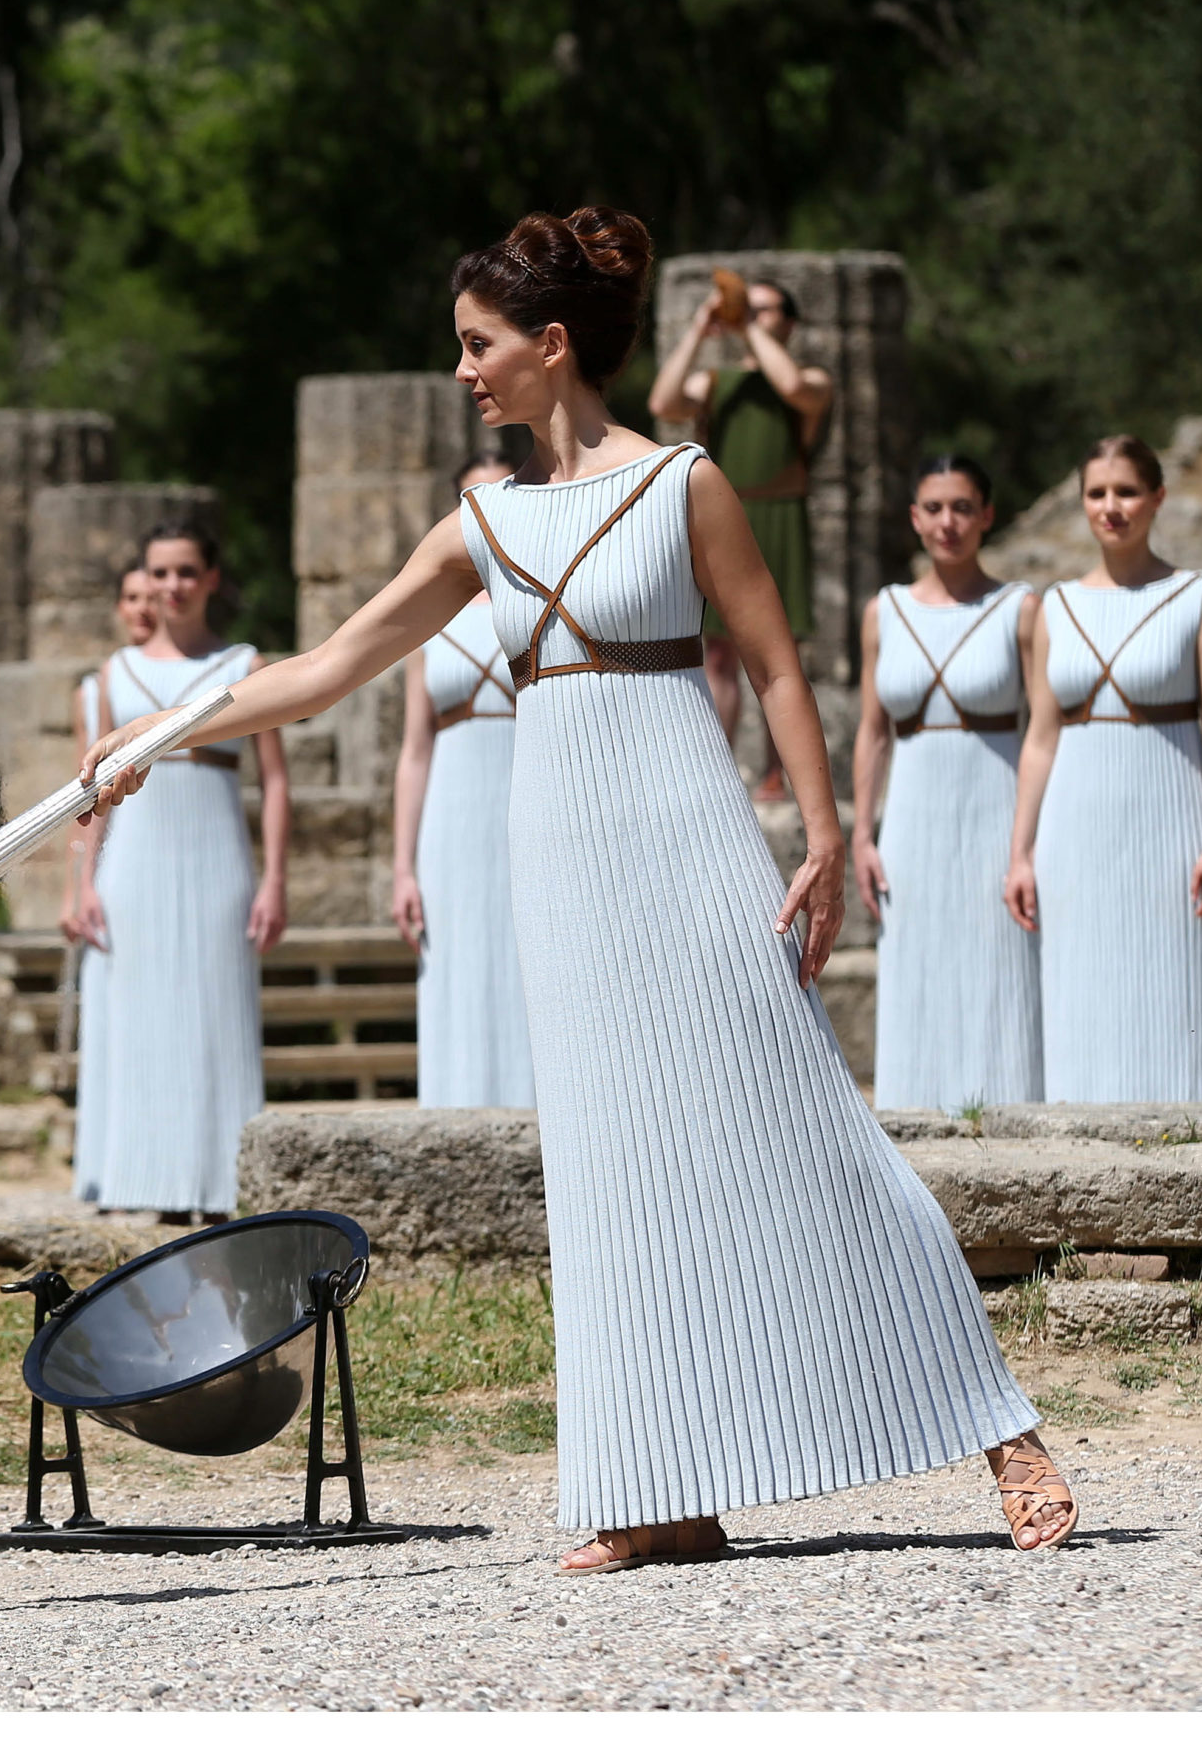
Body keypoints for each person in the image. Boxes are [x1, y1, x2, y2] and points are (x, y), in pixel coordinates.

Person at [83, 207, 1073, 1571]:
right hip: (557, 848)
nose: (463, 370)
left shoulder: (685, 484)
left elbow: (778, 668)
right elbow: (318, 671)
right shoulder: (483, 521)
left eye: (479, 345)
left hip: (687, 827)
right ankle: (657, 1484)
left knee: (806, 1127)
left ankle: (1001, 1429)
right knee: (609, 1164)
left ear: (551, 348)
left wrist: (828, 840)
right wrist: (150, 737)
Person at [1007, 436, 1202, 1101]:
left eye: (1127, 491)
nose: (1112, 507)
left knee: (1175, 989)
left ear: (1158, 498)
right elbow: (1041, 738)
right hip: (1075, 826)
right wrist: (1020, 852)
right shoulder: (1055, 606)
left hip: (1170, 819)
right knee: (1081, 991)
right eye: (1097, 493)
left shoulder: (1199, 599)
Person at [75, 524, 290, 1222]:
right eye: (160, 573)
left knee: (216, 1012)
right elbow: (95, 790)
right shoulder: (117, 671)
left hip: (216, 849)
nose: (173, 586)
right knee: (144, 1015)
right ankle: (155, 1182)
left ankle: (223, 1185)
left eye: (186, 572)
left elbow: (276, 780)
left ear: (211, 579)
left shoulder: (245, 662)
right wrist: (85, 884)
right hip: (134, 859)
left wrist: (275, 878)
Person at [851, 458, 1043, 1111]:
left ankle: (1009, 1111)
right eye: (934, 508)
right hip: (911, 812)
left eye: (963, 507)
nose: (948, 522)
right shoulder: (886, 611)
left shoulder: (1020, 608)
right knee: (917, 959)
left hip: (996, 803)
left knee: (999, 958)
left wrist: (1026, 844)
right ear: (915, 518)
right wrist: (862, 833)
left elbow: (1045, 731)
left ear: (986, 515)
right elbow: (873, 730)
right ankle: (914, 1113)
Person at [647, 274, 834, 799]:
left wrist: (748, 329)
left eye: (766, 309)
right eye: (747, 308)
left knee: (779, 654)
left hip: (779, 514)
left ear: (789, 322)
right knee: (721, 655)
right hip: (726, 519)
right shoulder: (719, 382)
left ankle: (778, 774)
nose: (751, 316)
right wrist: (698, 331)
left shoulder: (812, 379)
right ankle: (720, 770)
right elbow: (664, 403)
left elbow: (793, 388)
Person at [392, 451, 533, 1107]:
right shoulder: (431, 620)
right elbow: (414, 749)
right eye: (469, 500)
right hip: (451, 812)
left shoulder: (541, 597)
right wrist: (402, 867)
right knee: (455, 961)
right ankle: (453, 1109)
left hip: (529, 795)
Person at [62, 565, 162, 1201]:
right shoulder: (98, 686)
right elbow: (83, 803)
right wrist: (79, 883)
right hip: (123, 855)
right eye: (131, 597)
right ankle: (111, 1163)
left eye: (152, 596)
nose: (143, 607)